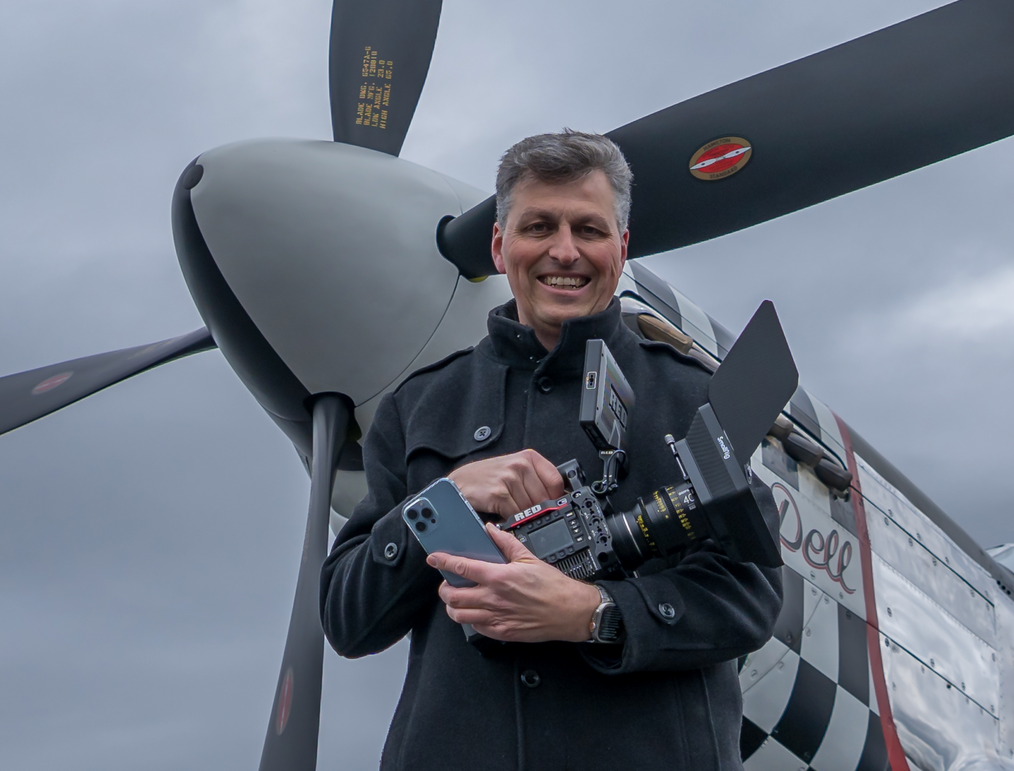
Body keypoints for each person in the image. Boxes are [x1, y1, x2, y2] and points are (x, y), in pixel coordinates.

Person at [320, 130, 783, 771]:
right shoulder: (419, 405)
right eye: (539, 226)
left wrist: (596, 613)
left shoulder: (692, 395)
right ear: (499, 245)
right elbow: (349, 620)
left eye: (588, 229)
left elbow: (750, 597)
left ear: (621, 248)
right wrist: (445, 500)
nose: (565, 251)